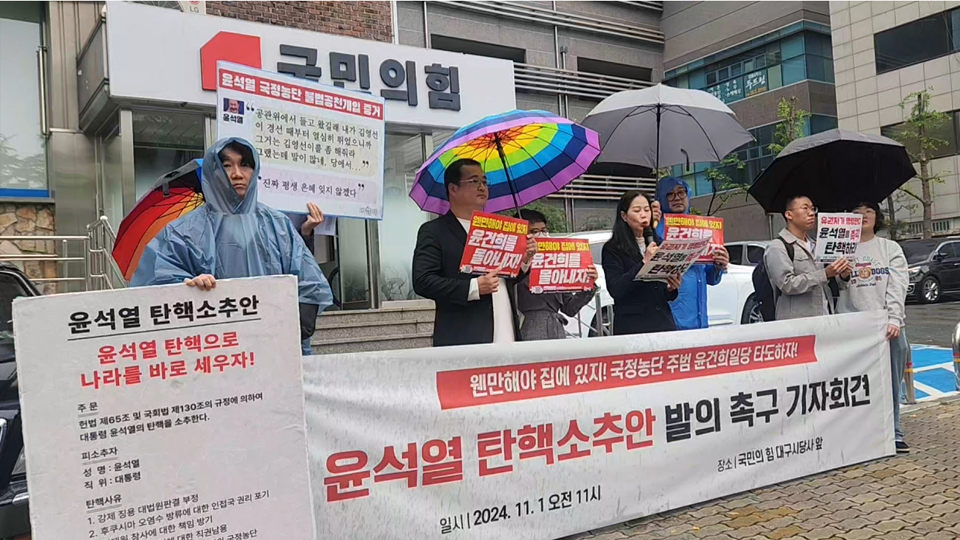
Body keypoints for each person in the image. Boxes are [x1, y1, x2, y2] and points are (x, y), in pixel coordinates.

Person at [131, 137, 333, 355]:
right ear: (212, 172)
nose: (237, 174)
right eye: (226, 165)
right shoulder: (182, 232)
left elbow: (308, 284)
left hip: (276, 354)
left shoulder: (277, 224)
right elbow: (154, 289)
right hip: (214, 355)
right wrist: (186, 287)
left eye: (245, 164)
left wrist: (284, 330)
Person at [412, 158, 537, 347]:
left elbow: (505, 278)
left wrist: (524, 260)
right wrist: (474, 287)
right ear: (453, 189)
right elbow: (423, 281)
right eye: (474, 181)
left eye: (485, 182)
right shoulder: (434, 231)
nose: (482, 187)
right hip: (465, 338)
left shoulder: (497, 228)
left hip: (507, 331)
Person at [836, 202, 910, 453]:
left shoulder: (890, 248)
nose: (863, 215)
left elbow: (898, 285)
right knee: (857, 385)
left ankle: (894, 432)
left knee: (892, 383)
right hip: (854, 327)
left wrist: (894, 319)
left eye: (868, 211)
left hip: (887, 326)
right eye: (856, 212)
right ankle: (864, 435)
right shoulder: (841, 249)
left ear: (877, 217)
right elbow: (838, 288)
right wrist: (842, 275)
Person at [601, 190, 682, 335]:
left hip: (663, 323)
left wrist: (671, 288)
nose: (643, 215)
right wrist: (644, 262)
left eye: (647, 210)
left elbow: (660, 291)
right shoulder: (613, 248)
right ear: (624, 216)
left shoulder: (658, 243)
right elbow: (616, 289)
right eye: (637, 210)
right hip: (633, 328)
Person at [655, 177, 730, 330]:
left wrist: (718, 266)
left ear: (688, 195)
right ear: (661, 199)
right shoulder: (655, 231)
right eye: (670, 194)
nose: (677, 198)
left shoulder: (701, 228)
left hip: (700, 319)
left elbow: (710, 278)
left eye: (681, 192)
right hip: (669, 322)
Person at [763, 195, 851, 320]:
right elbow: (787, 284)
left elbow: (832, 284)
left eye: (813, 209)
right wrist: (824, 274)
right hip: (797, 321)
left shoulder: (817, 244)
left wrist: (843, 275)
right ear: (789, 215)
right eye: (805, 208)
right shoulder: (778, 246)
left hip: (825, 316)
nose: (811, 213)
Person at [515, 209, 598, 340]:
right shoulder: (514, 265)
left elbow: (569, 308)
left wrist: (589, 284)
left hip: (556, 329)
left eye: (544, 230)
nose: (541, 235)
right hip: (527, 328)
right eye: (534, 231)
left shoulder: (556, 264)